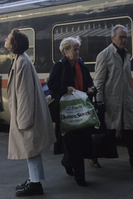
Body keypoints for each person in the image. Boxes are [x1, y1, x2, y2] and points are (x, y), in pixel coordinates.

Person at [94, 25, 133, 171]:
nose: (123, 40)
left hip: (125, 102)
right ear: (113, 38)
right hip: (111, 103)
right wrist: (100, 102)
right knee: (107, 133)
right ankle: (92, 156)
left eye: (125, 37)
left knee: (132, 133)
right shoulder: (105, 55)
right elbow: (99, 82)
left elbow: (127, 80)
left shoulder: (126, 55)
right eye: (121, 37)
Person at [5, 29, 56, 197]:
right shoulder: (21, 60)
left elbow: (25, 94)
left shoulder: (21, 63)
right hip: (26, 113)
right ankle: (34, 178)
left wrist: (24, 120)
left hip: (26, 115)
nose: (5, 39)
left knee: (30, 149)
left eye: (9, 38)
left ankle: (35, 184)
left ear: (14, 44)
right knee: (30, 149)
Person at [48, 37, 96, 187]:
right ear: (65, 51)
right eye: (74, 49)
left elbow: (89, 82)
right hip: (67, 111)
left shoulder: (81, 66)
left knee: (80, 143)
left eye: (78, 49)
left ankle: (67, 161)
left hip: (81, 110)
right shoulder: (59, 66)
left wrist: (92, 89)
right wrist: (65, 89)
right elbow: (52, 84)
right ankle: (80, 178)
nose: (77, 52)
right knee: (73, 143)